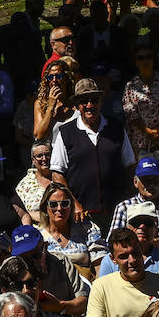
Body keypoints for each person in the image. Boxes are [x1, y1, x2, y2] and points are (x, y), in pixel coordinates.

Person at [49, 78, 134, 229]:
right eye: (84, 101)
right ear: (77, 105)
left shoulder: (116, 128)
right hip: (81, 214)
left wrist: (131, 201)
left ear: (101, 101)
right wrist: (73, 203)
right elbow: (57, 174)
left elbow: (129, 166)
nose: (89, 105)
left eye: (94, 100)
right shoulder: (66, 132)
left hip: (117, 211)